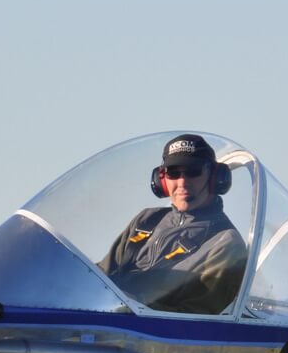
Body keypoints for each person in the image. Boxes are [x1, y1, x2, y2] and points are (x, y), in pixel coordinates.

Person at [99, 134, 247, 314]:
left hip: (138, 330)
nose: (182, 182)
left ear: (214, 176)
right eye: (173, 173)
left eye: (193, 171)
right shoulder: (146, 220)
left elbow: (195, 319)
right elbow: (97, 276)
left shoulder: (225, 243)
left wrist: (132, 306)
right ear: (161, 179)